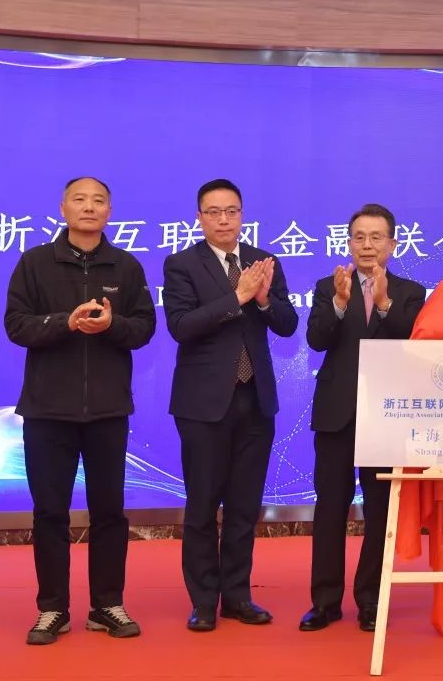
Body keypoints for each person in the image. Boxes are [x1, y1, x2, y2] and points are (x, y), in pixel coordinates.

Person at [4, 176, 155, 645]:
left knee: (109, 512)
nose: (89, 207)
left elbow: (144, 327)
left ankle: (106, 605)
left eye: (99, 200)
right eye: (80, 199)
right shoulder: (35, 263)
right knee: (50, 512)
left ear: (109, 211)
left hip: (108, 411)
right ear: (63, 208)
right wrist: (63, 323)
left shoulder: (126, 266)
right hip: (47, 412)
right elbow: (16, 325)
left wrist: (112, 325)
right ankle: (52, 609)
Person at [163, 178, 299, 631]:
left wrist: (262, 299)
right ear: (199, 217)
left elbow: (287, 324)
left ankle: (238, 596)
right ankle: (204, 601)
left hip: (255, 400)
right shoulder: (181, 264)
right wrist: (237, 297)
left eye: (232, 211)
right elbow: (182, 326)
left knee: (244, 506)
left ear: (242, 215)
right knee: (203, 505)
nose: (224, 220)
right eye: (214, 212)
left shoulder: (263, 262)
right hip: (203, 404)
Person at [299, 203, 426, 632]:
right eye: (359, 237)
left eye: (376, 237)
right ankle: (324, 601)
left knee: (380, 512)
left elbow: (412, 343)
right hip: (336, 414)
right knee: (330, 509)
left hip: (388, 416)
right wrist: (339, 303)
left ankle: (371, 599)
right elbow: (316, 340)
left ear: (392, 243)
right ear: (349, 242)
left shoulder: (411, 292)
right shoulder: (329, 286)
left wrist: (385, 302)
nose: (367, 245)